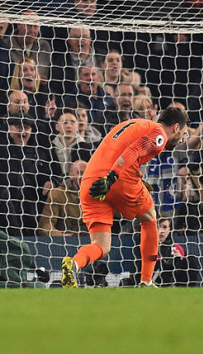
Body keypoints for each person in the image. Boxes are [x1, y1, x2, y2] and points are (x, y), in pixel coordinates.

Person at [61, 105, 189, 288]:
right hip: (115, 177)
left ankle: (73, 264)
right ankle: (146, 280)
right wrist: (112, 177)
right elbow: (133, 151)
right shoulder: (159, 134)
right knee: (150, 218)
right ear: (175, 127)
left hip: (90, 180)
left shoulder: (134, 123)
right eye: (183, 133)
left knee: (102, 246)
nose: (182, 138)